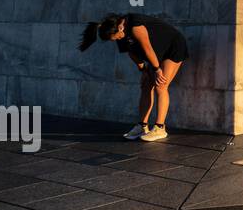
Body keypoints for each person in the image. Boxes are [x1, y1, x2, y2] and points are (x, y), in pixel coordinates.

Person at [78, 13, 188, 141]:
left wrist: (157, 70)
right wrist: (143, 69)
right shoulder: (120, 34)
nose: (117, 40)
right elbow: (132, 52)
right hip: (157, 52)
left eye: (116, 38)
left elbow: (147, 49)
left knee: (161, 85)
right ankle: (142, 126)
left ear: (120, 28)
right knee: (146, 85)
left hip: (173, 46)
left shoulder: (135, 26)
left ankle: (160, 128)